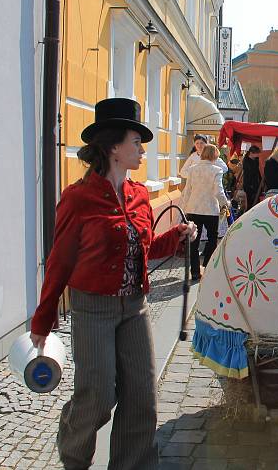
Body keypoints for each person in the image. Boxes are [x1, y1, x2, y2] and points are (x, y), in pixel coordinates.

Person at [29, 98, 195, 469]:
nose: (141, 149)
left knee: (142, 398)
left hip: (135, 307)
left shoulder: (138, 195)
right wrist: (42, 320)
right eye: (135, 141)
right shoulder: (78, 198)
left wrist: (177, 239)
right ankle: (74, 457)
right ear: (112, 147)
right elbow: (61, 260)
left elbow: (145, 248)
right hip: (93, 309)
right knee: (98, 395)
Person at [181, 143, 229, 281]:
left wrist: (184, 209)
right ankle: (208, 267)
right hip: (210, 209)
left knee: (194, 241)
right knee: (212, 239)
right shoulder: (216, 170)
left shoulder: (192, 169)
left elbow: (187, 190)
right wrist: (225, 203)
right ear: (214, 156)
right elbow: (218, 191)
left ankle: (195, 271)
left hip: (193, 208)